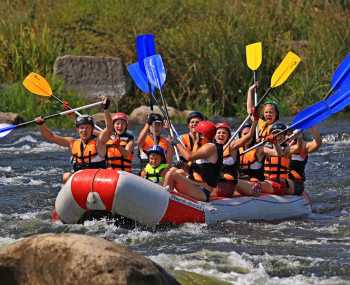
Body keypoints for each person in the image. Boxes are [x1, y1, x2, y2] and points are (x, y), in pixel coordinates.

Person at [35, 97, 112, 183]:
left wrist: (106, 109)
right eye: (82, 128)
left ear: (92, 129)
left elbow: (109, 129)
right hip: (80, 181)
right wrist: (41, 125)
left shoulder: (99, 142)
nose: (84, 130)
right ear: (77, 130)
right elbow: (50, 137)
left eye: (87, 128)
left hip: (98, 180)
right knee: (66, 176)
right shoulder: (72, 142)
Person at [164, 120, 222, 202]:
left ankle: (164, 198)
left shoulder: (210, 147)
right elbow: (193, 169)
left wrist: (176, 143)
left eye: (197, 133)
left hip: (203, 191)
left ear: (202, 135)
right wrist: (183, 165)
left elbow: (188, 157)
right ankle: (167, 196)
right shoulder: (201, 145)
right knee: (174, 170)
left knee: (173, 174)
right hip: (195, 185)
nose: (195, 135)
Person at [212, 109, 262, 198]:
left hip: (229, 183)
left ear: (228, 136)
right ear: (214, 136)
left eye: (224, 133)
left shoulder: (232, 145)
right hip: (215, 182)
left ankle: (250, 188)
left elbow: (248, 136)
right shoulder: (210, 148)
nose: (221, 134)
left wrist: (255, 121)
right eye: (218, 132)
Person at [287, 127, 322, 195]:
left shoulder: (305, 147)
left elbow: (318, 143)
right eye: (287, 134)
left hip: (296, 183)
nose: (289, 136)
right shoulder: (278, 147)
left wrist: (311, 126)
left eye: (291, 134)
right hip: (281, 181)